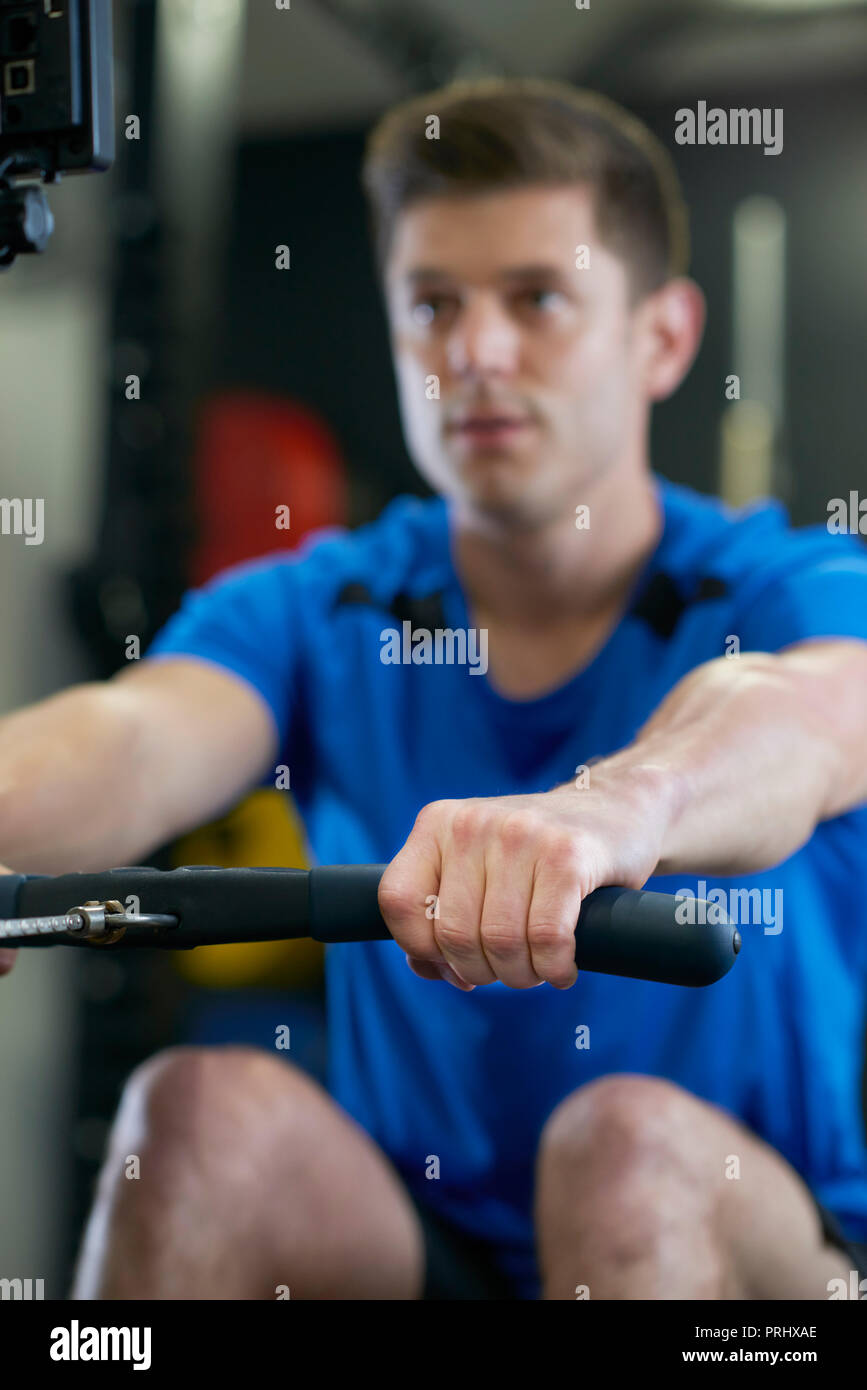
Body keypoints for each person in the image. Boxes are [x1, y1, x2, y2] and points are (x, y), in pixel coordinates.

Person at [2, 77, 867, 1301]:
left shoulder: (788, 581)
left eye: (537, 300)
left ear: (663, 338)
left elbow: (811, 714)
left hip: (762, 1251)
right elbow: (135, 737)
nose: (475, 351)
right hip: (431, 1246)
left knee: (622, 1151)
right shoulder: (327, 605)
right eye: (433, 304)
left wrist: (612, 810)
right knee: (195, 1118)